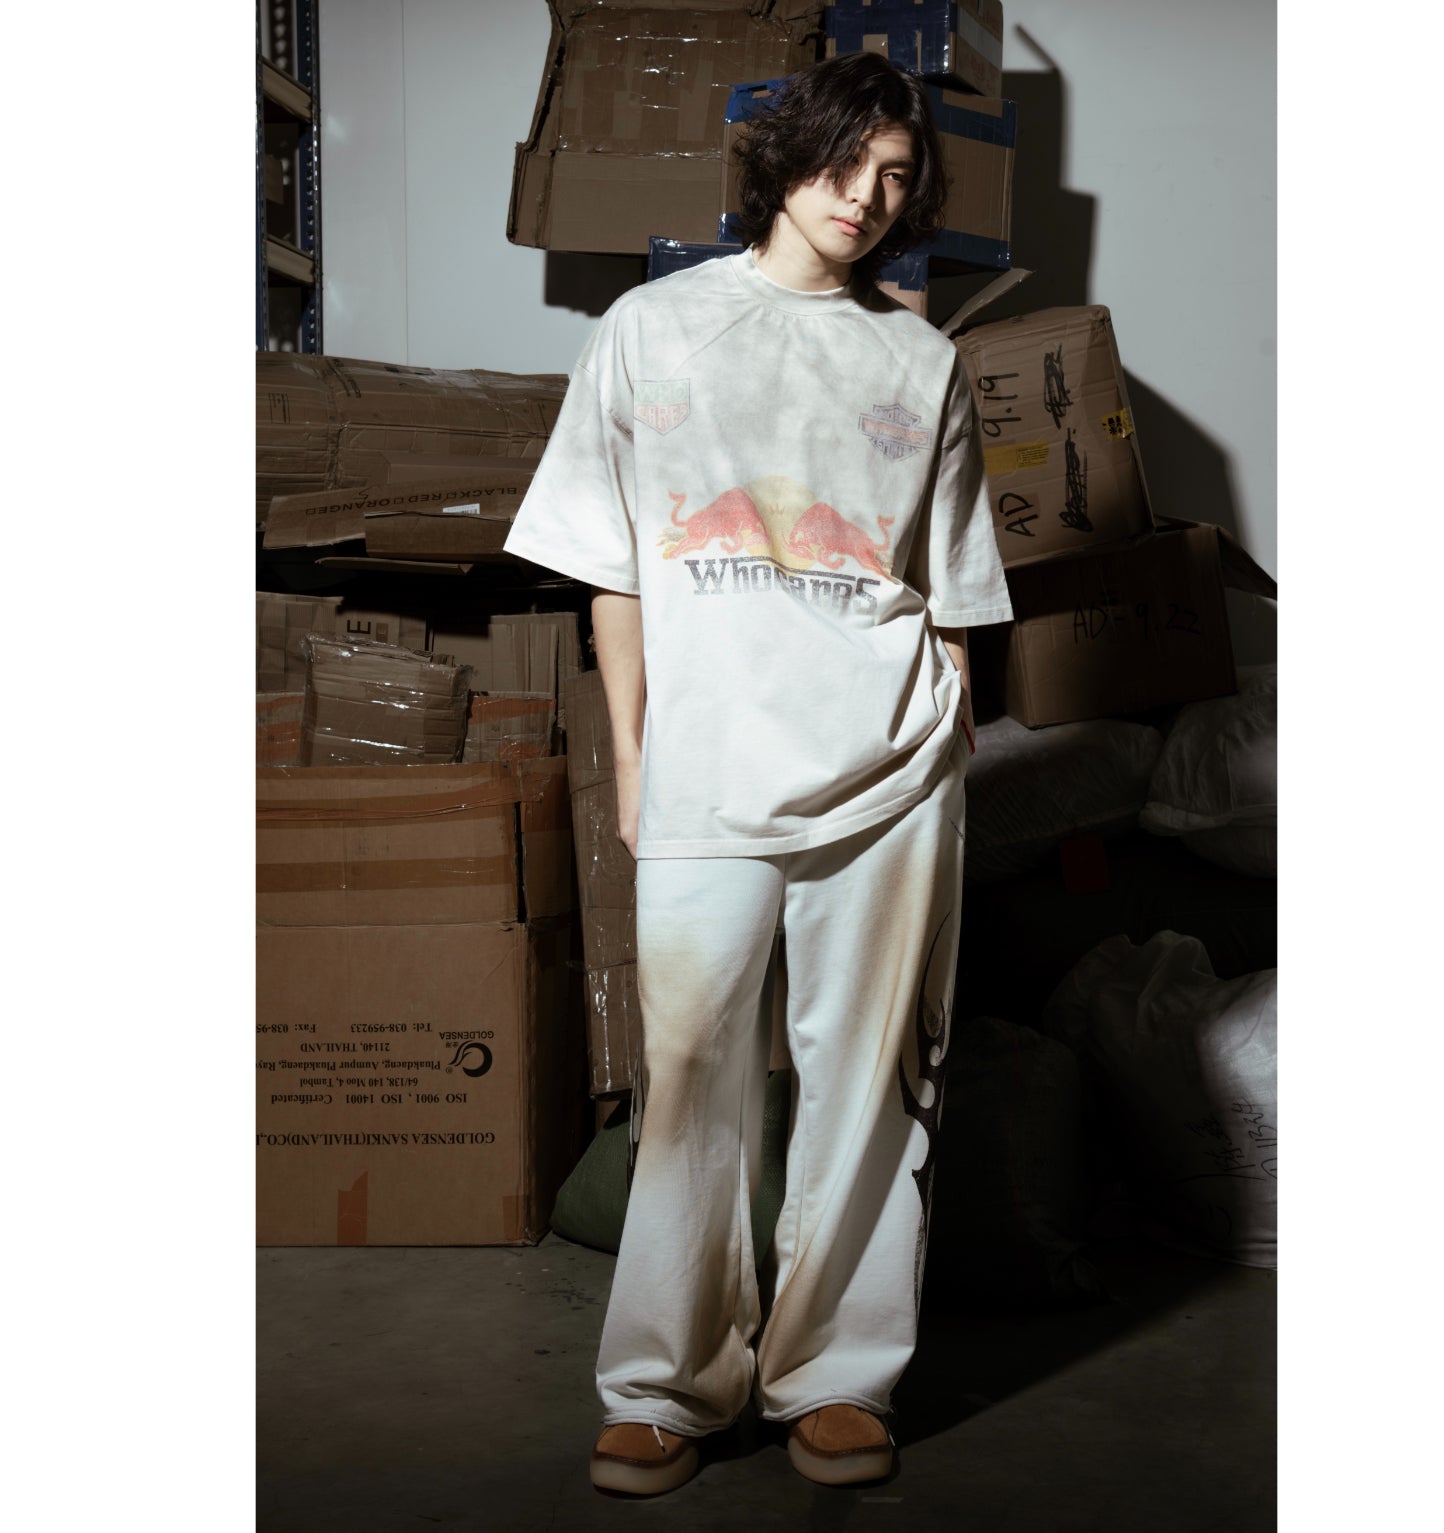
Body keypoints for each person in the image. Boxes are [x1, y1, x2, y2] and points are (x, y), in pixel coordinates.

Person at [503, 50, 1013, 1497]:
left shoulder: (920, 360)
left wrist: (950, 738)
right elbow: (611, 569)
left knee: (871, 1081)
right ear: (786, 158)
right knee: (686, 1076)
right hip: (710, 759)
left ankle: (837, 1379)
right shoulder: (651, 328)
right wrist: (630, 758)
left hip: (892, 764)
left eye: (898, 176)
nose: (868, 197)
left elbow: (950, 587)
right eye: (848, 163)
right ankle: (665, 1385)